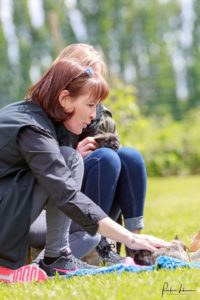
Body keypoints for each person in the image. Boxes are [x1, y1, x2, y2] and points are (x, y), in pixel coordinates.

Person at [0, 55, 170, 283]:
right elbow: (66, 193)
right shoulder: (32, 129)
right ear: (65, 99)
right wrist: (129, 238)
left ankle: (54, 260)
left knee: (89, 234)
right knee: (70, 159)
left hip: (15, 212)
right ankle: (41, 260)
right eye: (90, 105)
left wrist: (129, 236)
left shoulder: (45, 119)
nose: (94, 115)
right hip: (7, 217)